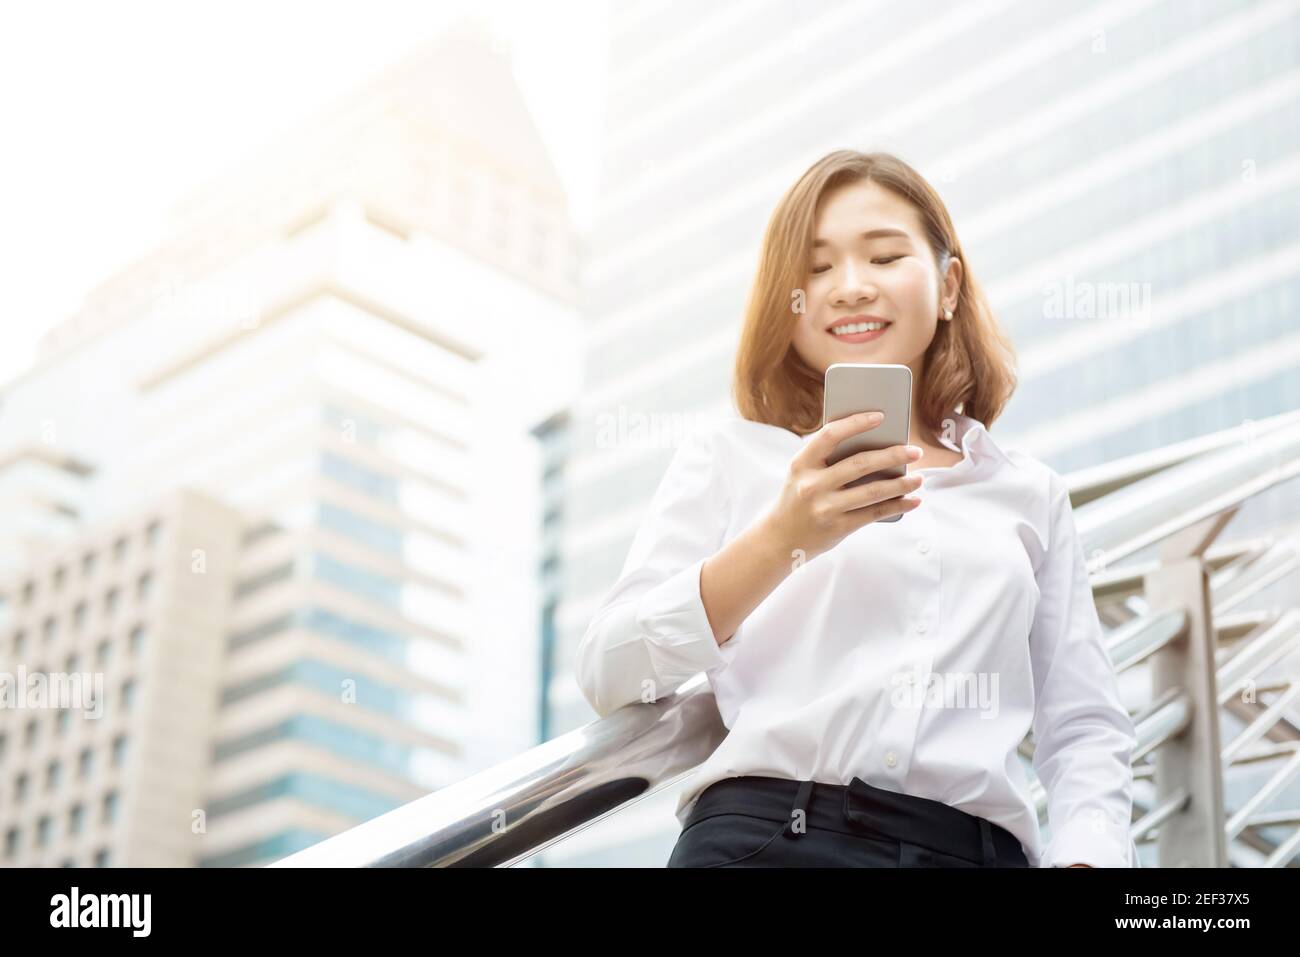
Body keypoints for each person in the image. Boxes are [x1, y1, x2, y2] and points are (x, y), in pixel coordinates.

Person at [575, 150, 1139, 868]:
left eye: (883, 256)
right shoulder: (730, 456)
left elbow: (1084, 722)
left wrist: (1089, 855)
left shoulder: (1029, 493)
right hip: (766, 838)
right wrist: (782, 537)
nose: (849, 287)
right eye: (817, 268)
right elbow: (613, 672)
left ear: (948, 287)